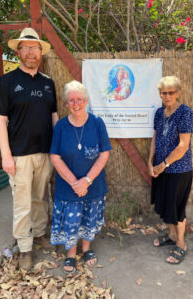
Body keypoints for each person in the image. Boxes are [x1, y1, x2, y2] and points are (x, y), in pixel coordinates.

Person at [0, 27, 59, 271]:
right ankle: (25, 249)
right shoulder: (7, 82)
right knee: (22, 204)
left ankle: (39, 234)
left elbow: (54, 116)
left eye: (35, 48)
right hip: (18, 155)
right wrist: (6, 155)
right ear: (19, 51)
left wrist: (56, 149)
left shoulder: (48, 83)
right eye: (26, 48)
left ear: (41, 52)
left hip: (44, 153)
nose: (31, 52)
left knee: (40, 198)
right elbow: (0, 121)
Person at [50, 80, 111, 275]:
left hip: (93, 185)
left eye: (79, 100)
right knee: (71, 221)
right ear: (66, 103)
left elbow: (104, 154)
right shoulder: (60, 126)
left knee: (89, 218)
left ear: (86, 100)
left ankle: (86, 249)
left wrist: (87, 180)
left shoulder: (97, 123)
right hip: (67, 187)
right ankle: (70, 252)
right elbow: (55, 156)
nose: (76, 104)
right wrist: (74, 182)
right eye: (71, 101)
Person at [148, 76, 193, 264]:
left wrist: (162, 164)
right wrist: (149, 162)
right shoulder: (159, 113)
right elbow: (155, 139)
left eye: (171, 92)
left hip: (179, 170)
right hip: (160, 169)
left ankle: (181, 243)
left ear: (178, 93)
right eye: (163, 93)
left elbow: (183, 146)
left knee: (177, 208)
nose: (167, 96)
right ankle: (172, 236)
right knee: (166, 205)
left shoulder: (185, 113)